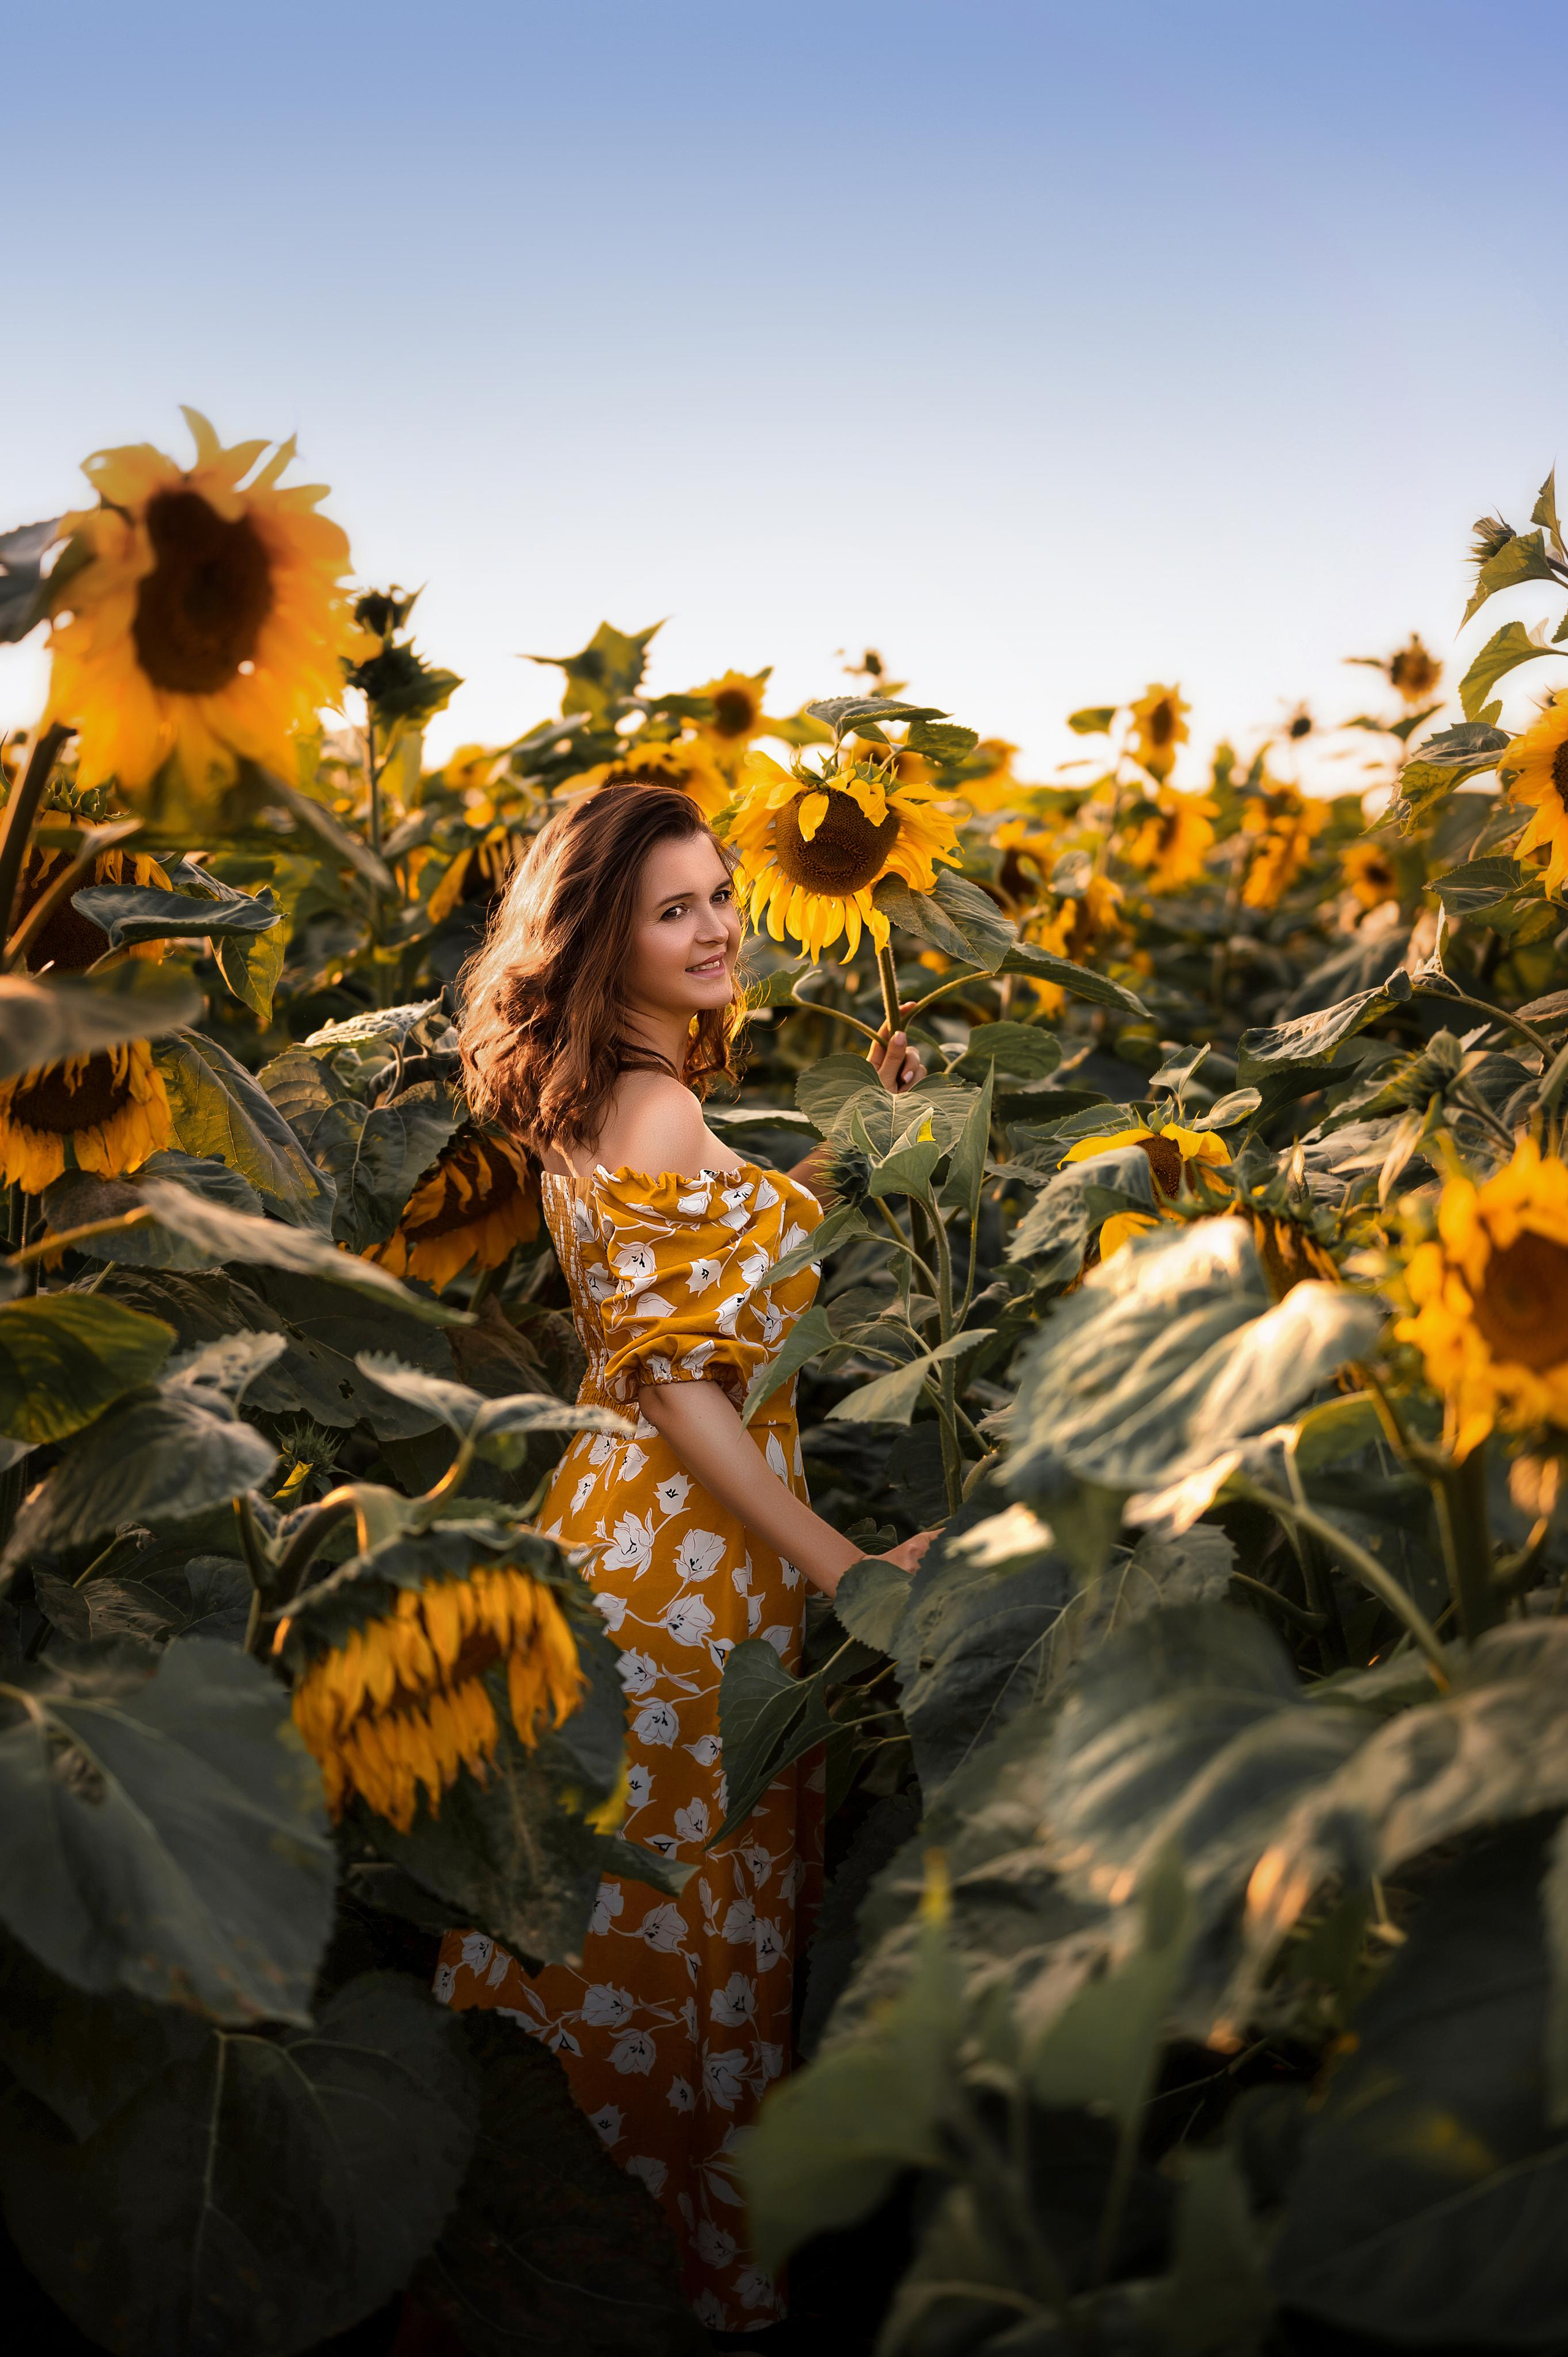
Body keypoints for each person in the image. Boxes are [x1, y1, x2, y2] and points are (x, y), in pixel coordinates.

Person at [435, 782, 935, 2336]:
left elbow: (721, 1283)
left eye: (722, 893)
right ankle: (657, 2286)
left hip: (632, 1542)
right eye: (675, 907)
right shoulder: (652, 1110)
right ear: (607, 937)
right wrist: (849, 1563)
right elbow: (683, 1385)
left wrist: (883, 1131)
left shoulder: (616, 1095)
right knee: (675, 1929)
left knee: (613, 1922)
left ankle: (541, 2266)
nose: (718, 924)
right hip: (684, 1562)